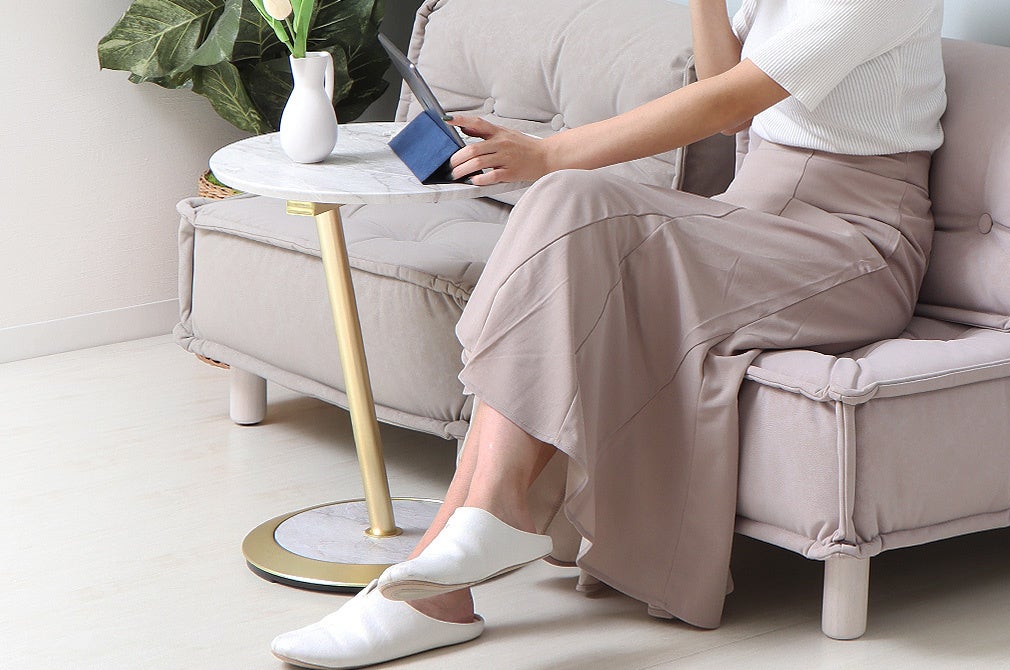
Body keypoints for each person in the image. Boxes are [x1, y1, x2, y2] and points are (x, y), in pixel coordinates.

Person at [271, 0, 947, 667]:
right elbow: (733, 108)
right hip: (755, 209)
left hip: (853, 240)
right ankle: (459, 556)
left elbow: (726, 103)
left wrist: (547, 152)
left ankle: (455, 565)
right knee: (567, 201)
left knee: (567, 190)